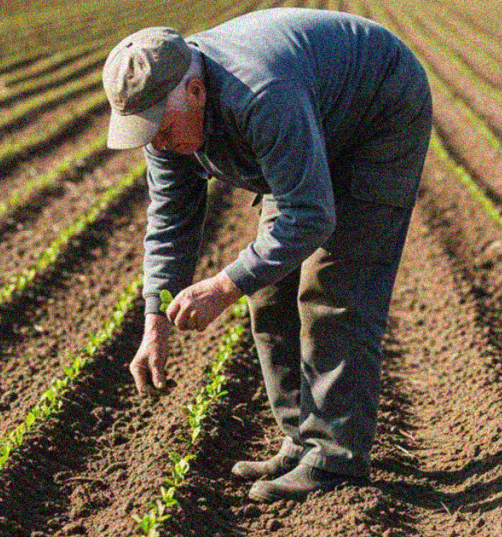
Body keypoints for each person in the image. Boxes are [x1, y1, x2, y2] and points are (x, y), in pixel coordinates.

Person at [100, 8, 432, 502]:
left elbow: (311, 215)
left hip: (377, 114)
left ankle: (336, 459)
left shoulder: (260, 93)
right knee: (269, 290)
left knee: (332, 291)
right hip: (309, 121)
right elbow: (171, 220)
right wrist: (155, 320)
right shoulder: (164, 118)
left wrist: (222, 284)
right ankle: (300, 439)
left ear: (195, 90)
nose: (160, 142)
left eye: (163, 128)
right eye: (148, 132)